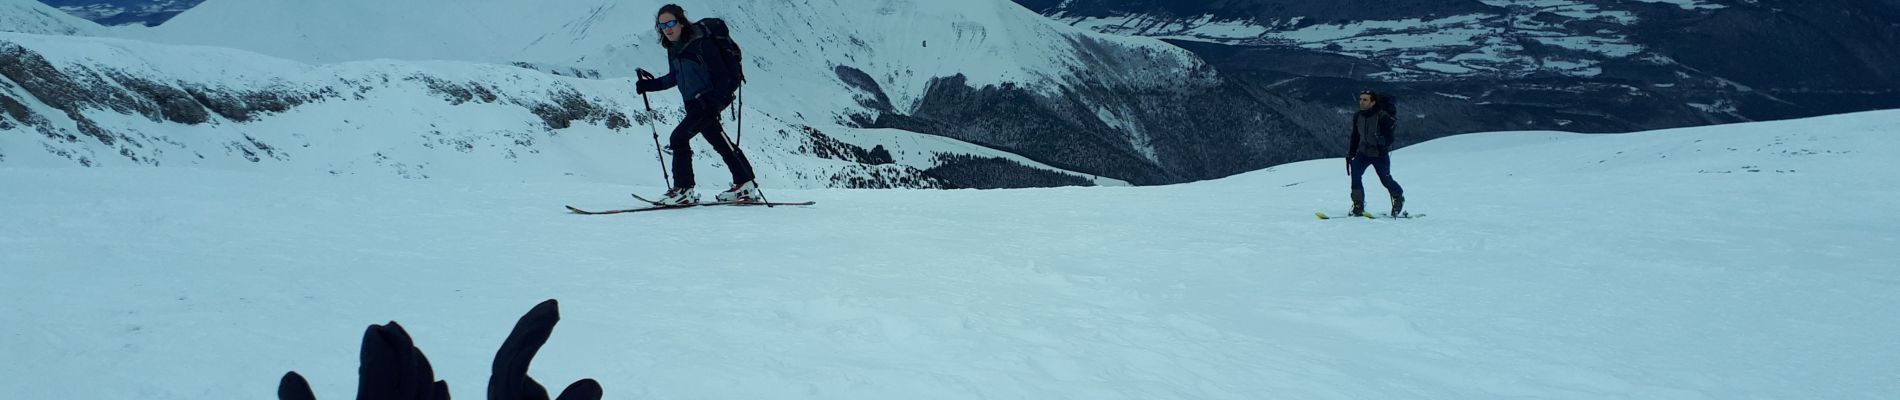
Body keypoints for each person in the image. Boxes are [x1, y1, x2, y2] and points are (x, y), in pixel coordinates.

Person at [636, 4, 757, 205]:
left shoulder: (701, 43)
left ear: (681, 23)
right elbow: (675, 77)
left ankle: (684, 190)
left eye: (671, 23)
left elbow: (723, 76)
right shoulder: (674, 49)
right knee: (719, 141)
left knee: (678, 138)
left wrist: (712, 103)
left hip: (706, 102)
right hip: (693, 103)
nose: (667, 28)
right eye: (662, 24)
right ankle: (745, 184)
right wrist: (650, 85)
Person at [1348, 90, 1404, 217]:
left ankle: (1398, 196)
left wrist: (1382, 141)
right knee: (1355, 175)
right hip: (1363, 152)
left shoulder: (1383, 117)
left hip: (1379, 154)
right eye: (1360, 99)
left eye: (1365, 100)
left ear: (1373, 102)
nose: (1361, 102)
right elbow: (1355, 136)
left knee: (1385, 180)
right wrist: (1351, 153)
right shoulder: (1358, 116)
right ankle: (1358, 204)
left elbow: (1390, 138)